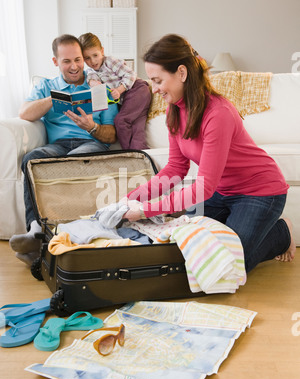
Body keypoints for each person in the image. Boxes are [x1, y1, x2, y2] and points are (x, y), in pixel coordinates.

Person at [122, 34, 296, 273]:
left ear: (181, 73)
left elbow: (203, 187)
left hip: (259, 191)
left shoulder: (218, 113)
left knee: (230, 262)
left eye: (158, 80)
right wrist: (130, 199)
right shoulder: (175, 109)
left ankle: (281, 233)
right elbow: (175, 168)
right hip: (220, 192)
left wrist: (144, 210)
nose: (154, 89)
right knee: (190, 248)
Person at [9, 34, 118, 265]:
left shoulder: (99, 86)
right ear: (55, 61)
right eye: (66, 61)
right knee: (32, 159)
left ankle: (64, 237)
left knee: (75, 160)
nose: (74, 66)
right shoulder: (46, 86)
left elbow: (111, 134)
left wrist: (92, 127)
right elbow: (25, 113)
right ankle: (36, 231)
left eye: (78, 59)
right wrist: (55, 98)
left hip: (90, 143)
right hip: (56, 146)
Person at [78, 32, 151, 150]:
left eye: (95, 55)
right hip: (128, 101)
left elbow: (131, 74)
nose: (93, 61)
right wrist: (94, 84)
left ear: (102, 51)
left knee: (120, 121)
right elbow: (93, 80)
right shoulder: (91, 72)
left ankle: (127, 153)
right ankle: (142, 155)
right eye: (87, 58)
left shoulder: (110, 61)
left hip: (136, 90)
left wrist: (119, 89)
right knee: (137, 129)